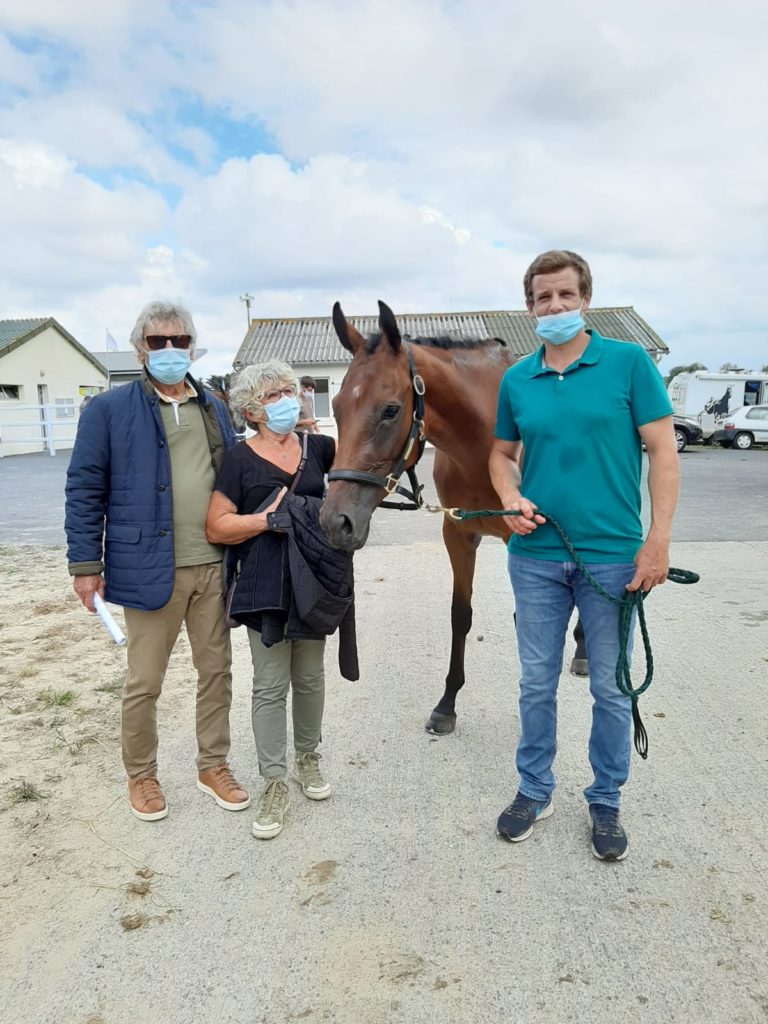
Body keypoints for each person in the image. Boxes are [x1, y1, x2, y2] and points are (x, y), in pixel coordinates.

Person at [489, 250, 679, 861]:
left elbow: (664, 455)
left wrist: (658, 541)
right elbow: (500, 455)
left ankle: (605, 799)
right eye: (543, 298)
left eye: (565, 295)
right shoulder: (518, 379)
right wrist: (510, 497)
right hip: (536, 555)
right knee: (535, 682)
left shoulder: (627, 364)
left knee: (611, 687)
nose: (555, 307)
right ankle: (534, 788)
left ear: (585, 299)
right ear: (530, 308)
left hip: (614, 560)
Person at [65, 301, 250, 822]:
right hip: (148, 568)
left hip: (213, 566)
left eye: (178, 341)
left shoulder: (213, 405)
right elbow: (83, 488)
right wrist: (85, 566)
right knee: (145, 680)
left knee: (217, 671)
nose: (169, 350)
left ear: (192, 346)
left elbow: (232, 475)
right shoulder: (108, 409)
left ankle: (213, 763)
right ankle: (141, 775)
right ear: (140, 348)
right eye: (157, 342)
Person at [205, 360, 336, 840]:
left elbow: (364, 477)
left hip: (313, 580)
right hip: (264, 585)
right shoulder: (240, 461)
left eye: (290, 389)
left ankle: (308, 759)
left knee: (310, 676)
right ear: (252, 410)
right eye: (274, 394)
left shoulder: (318, 448)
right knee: (269, 685)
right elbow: (217, 525)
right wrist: (267, 520)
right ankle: (274, 780)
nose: (288, 398)